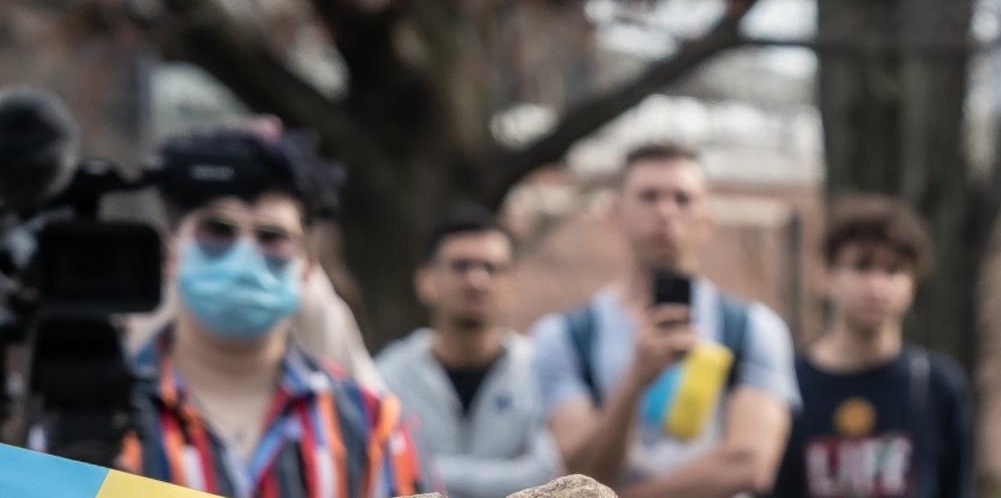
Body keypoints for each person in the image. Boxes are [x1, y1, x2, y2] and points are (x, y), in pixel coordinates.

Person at [118, 127, 431, 497]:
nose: (244, 254)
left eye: (272, 237)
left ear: (307, 268)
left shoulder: (372, 426)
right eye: (218, 230)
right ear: (172, 253)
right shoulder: (97, 416)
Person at [531, 141, 798, 498]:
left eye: (682, 199)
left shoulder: (753, 328)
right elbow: (581, 469)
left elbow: (750, 463)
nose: (666, 212)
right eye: (649, 197)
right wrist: (634, 380)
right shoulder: (563, 336)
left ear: (707, 220)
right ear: (615, 214)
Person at [768, 197, 971, 498]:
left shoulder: (937, 385)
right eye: (862, 266)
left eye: (893, 270)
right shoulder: (787, 385)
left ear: (912, 285)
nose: (877, 285)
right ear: (826, 276)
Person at [376, 207, 562, 498]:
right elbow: (381, 471)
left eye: (492, 268)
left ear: (512, 284)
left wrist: (426, 472)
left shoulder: (541, 368)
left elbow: (547, 472)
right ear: (426, 281)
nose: (476, 280)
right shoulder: (387, 376)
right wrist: (510, 476)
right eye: (461, 266)